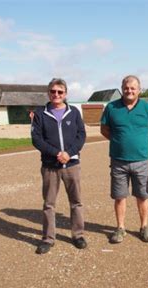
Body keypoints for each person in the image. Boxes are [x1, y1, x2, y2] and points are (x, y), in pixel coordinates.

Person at [100, 75, 148, 243]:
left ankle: (144, 227)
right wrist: (120, 141)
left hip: (141, 161)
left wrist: (139, 143)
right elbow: (104, 130)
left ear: (139, 90)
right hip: (118, 161)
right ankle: (120, 228)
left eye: (133, 88)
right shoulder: (111, 108)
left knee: (142, 196)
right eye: (126, 88)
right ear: (122, 89)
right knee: (120, 196)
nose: (129, 91)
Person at [31, 78, 87, 254]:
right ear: (48, 93)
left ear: (66, 94)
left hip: (72, 164)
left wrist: (68, 153)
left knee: (76, 202)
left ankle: (78, 235)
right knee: (49, 204)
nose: (56, 95)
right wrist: (56, 153)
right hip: (50, 166)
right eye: (53, 91)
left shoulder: (74, 112)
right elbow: (36, 139)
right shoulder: (40, 113)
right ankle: (48, 238)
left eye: (60, 92)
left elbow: (81, 135)